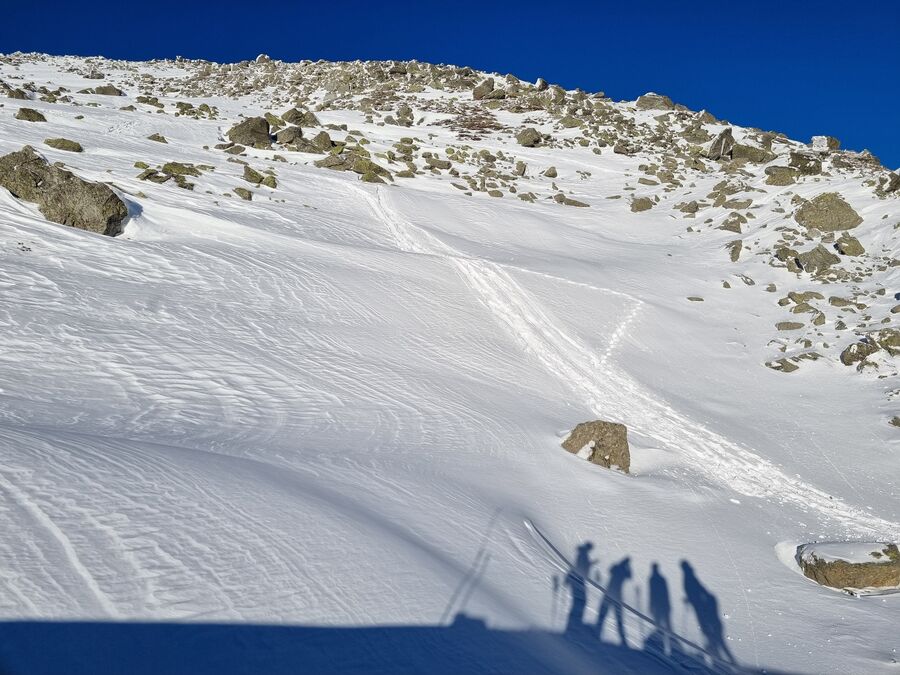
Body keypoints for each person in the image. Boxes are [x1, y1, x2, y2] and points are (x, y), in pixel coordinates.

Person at [596, 557, 631, 645]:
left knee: (604, 612)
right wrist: (628, 567)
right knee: (617, 616)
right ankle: (622, 638)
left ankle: (598, 630)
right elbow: (629, 576)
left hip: (609, 591)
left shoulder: (616, 567)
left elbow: (610, 571)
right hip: (616, 594)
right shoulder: (623, 570)